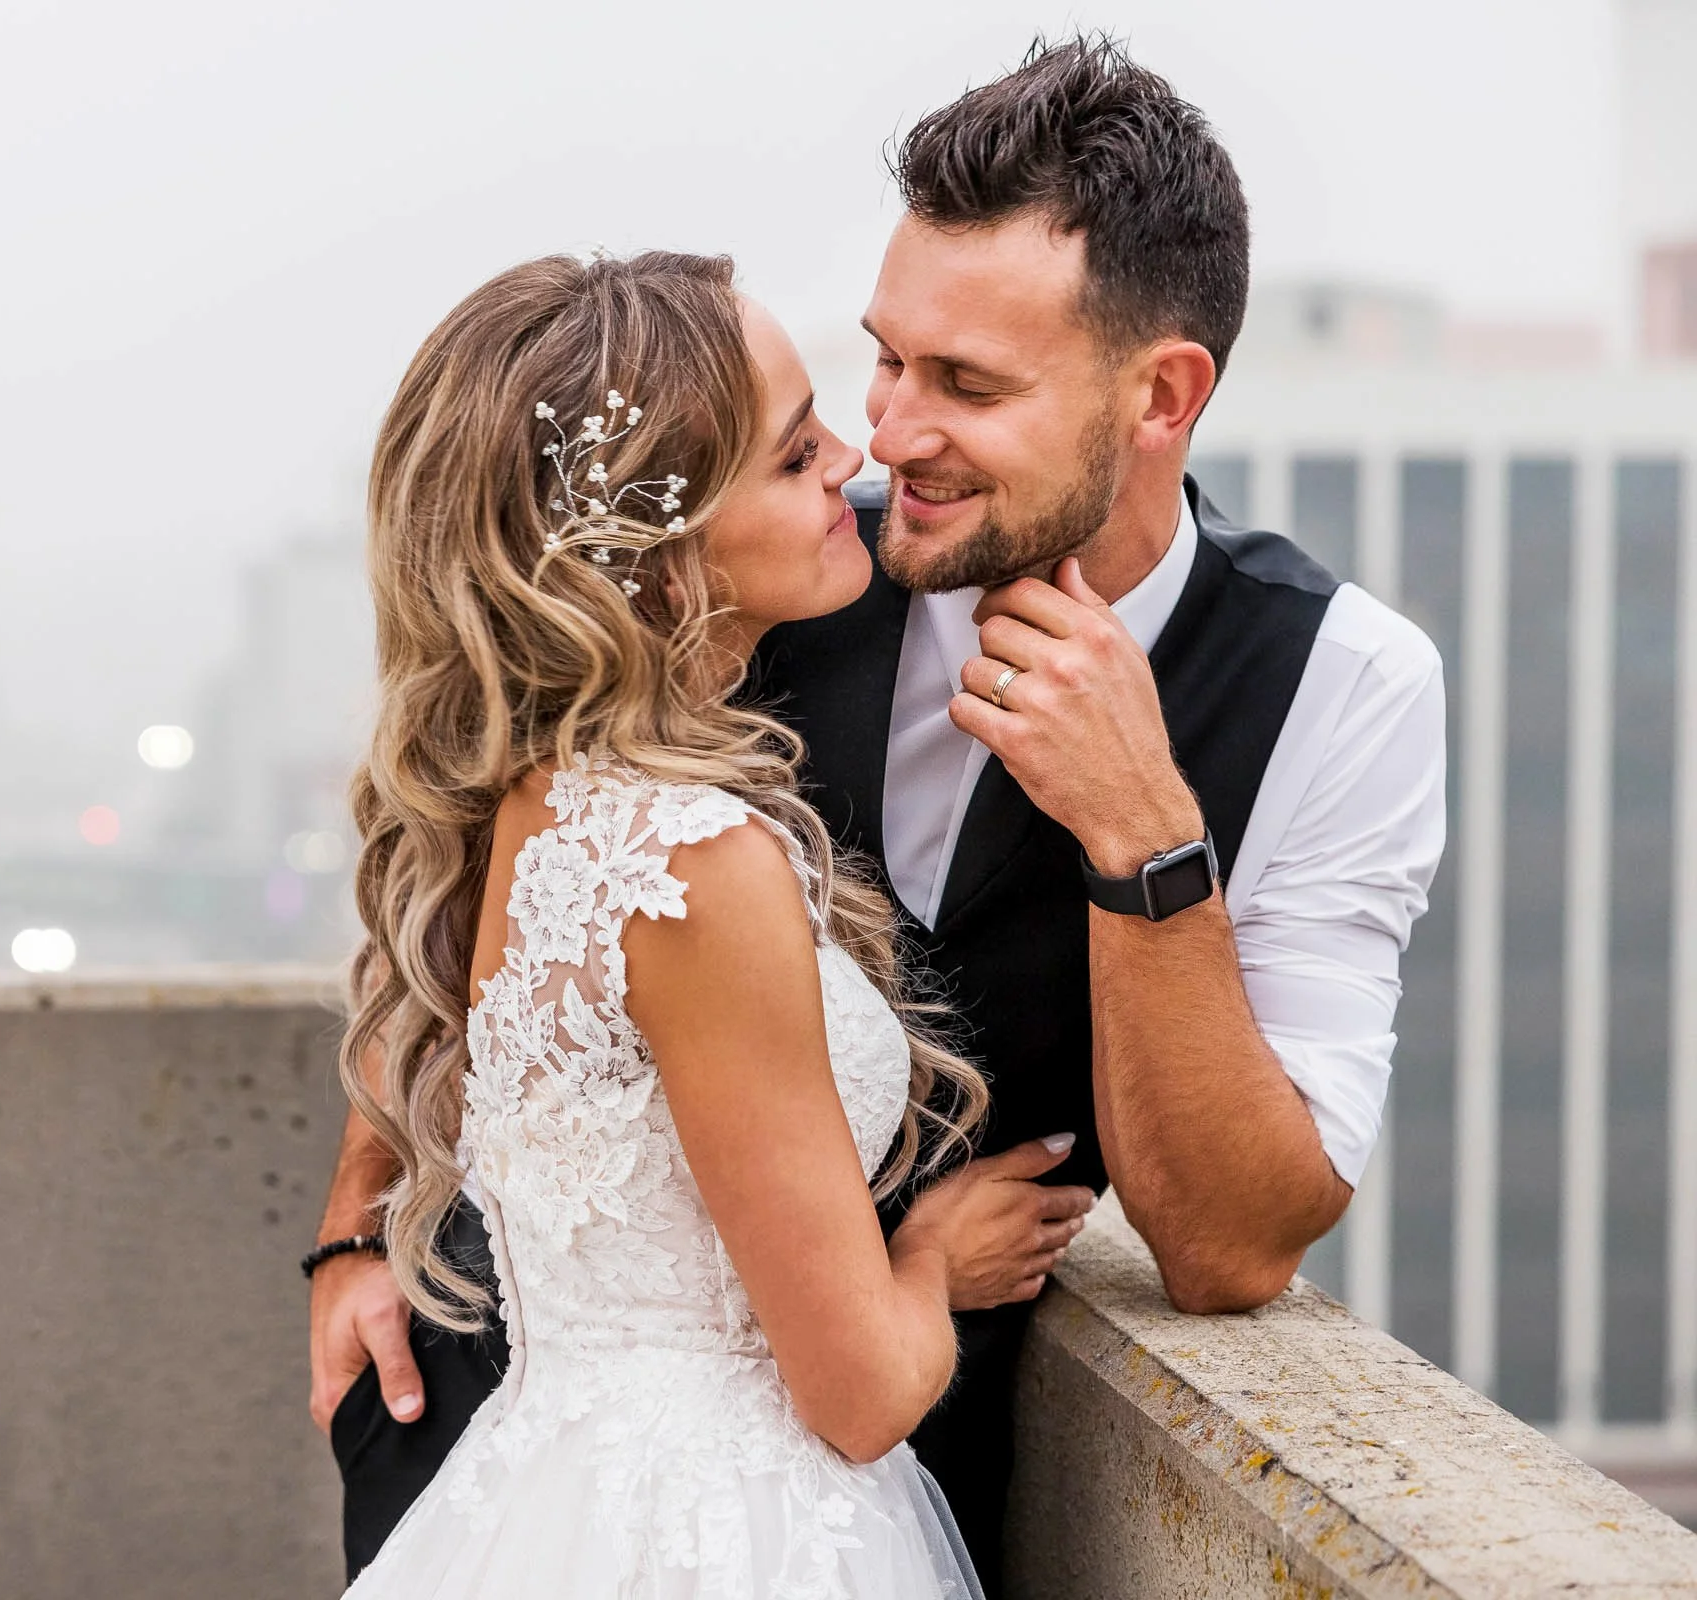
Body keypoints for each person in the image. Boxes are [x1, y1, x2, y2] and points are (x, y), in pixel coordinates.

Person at [315, 36, 1447, 1591]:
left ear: (1162, 395)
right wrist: (353, 1224)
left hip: (847, 1496)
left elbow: (1236, 1246)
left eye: (965, 384)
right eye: (887, 358)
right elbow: (472, 840)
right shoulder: (756, 557)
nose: (889, 434)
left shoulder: (1345, 686)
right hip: (484, 1428)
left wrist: (1144, 840)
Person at [325, 247, 1076, 1596]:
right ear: (659, 561)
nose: (852, 457)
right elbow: (859, 1394)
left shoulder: (532, 800)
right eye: (794, 457)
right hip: (730, 1528)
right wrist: (929, 1261)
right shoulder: (691, 866)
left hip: (550, 1489)